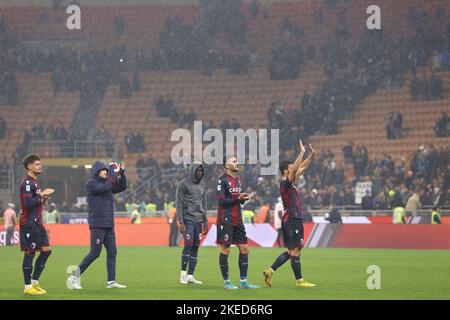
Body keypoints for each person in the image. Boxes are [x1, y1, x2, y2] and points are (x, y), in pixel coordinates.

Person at [263, 140, 316, 288]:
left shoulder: (289, 181)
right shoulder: (286, 181)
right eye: (292, 166)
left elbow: (303, 167)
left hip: (290, 218)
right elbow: (296, 169)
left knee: (291, 250)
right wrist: (301, 151)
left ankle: (270, 270)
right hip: (293, 218)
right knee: (296, 251)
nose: (295, 167)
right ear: (286, 170)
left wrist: (311, 156)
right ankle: (300, 281)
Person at [67, 161, 127, 290]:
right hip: (98, 223)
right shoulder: (92, 184)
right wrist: (112, 174)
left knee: (112, 252)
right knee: (95, 253)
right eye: (104, 170)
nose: (106, 172)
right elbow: (104, 188)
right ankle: (74, 277)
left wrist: (121, 174)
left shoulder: (107, 183)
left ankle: (111, 281)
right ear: (96, 172)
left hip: (108, 224)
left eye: (107, 170)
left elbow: (122, 187)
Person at [216, 155, 259, 290]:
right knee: (226, 249)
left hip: (238, 219)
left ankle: (243, 281)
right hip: (225, 219)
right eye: (234, 161)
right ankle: (227, 281)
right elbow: (221, 202)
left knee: (245, 249)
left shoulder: (239, 180)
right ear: (227, 165)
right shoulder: (222, 181)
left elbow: (237, 200)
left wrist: (243, 199)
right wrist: (237, 198)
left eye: (236, 160)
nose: (237, 162)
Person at [19, 154, 55, 295]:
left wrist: (42, 199)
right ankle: (28, 287)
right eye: (37, 164)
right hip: (28, 223)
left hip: (37, 222)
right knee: (30, 252)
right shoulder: (27, 183)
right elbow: (27, 203)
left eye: (40, 164)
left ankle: (34, 282)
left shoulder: (34, 182)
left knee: (46, 250)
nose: (40, 166)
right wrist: (42, 195)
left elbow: (34, 201)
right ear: (29, 166)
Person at [176, 162, 208, 285]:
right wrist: (180, 220)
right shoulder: (183, 184)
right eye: (197, 171)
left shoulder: (202, 185)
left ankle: (190, 275)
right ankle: (182, 274)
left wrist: (205, 220)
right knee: (188, 244)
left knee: (196, 246)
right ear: (193, 171)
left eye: (201, 171)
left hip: (199, 220)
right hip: (188, 218)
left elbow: (204, 203)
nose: (199, 173)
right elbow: (178, 202)